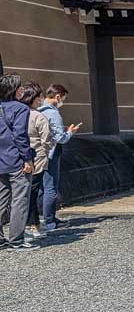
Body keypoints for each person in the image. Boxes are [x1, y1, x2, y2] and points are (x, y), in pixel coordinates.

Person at [38, 83, 80, 232]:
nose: (62, 101)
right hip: (51, 153)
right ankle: (49, 221)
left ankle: (38, 220)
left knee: (41, 187)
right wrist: (70, 132)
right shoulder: (53, 113)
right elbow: (61, 139)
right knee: (51, 188)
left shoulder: (38, 110)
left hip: (38, 153)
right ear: (57, 97)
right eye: (63, 98)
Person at [0, 73, 35, 250]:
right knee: (20, 200)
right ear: (15, 89)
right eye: (20, 86)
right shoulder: (20, 108)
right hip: (16, 160)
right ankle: (16, 239)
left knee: (1, 199)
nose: (22, 89)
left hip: (1, 160)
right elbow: (20, 135)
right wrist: (27, 159)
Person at [19, 83, 53, 241]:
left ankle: (29, 225)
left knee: (22, 193)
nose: (40, 100)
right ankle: (33, 225)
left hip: (19, 158)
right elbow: (47, 139)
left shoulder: (18, 113)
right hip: (37, 157)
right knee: (33, 192)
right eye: (38, 97)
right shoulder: (39, 116)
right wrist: (45, 152)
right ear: (32, 98)